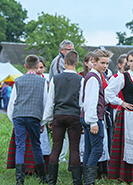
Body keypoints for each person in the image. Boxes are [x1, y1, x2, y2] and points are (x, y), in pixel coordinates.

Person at [105, 50, 133, 184]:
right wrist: (121, 102)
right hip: (128, 116)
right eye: (130, 61)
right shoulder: (123, 77)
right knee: (127, 146)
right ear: (127, 63)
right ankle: (125, 176)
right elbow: (108, 92)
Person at [43, 50, 84, 185]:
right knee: (74, 149)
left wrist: (48, 119)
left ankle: (51, 181)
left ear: (64, 62)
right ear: (77, 63)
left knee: (56, 148)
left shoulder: (55, 79)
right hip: (74, 116)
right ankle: (77, 181)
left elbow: (51, 101)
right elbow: (82, 103)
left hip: (59, 115)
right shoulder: (81, 80)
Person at [7, 55, 48, 184]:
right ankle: (42, 177)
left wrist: (12, 118)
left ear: (25, 66)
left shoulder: (18, 81)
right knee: (36, 145)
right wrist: (43, 122)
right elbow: (44, 103)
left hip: (18, 116)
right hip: (34, 116)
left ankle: (20, 179)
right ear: (37, 67)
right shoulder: (42, 81)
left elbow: (12, 102)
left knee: (20, 146)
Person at [80, 49, 113, 185]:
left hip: (87, 117)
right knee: (97, 149)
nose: (105, 66)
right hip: (92, 118)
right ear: (94, 62)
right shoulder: (93, 78)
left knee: (88, 149)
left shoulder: (94, 76)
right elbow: (90, 102)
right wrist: (93, 122)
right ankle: (89, 181)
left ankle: (87, 180)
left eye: (107, 63)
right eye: (102, 63)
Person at [49, 40, 74, 164]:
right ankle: (60, 157)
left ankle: (60, 156)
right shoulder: (59, 62)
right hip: (61, 101)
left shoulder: (64, 61)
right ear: (62, 50)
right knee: (61, 134)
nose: (71, 51)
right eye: (68, 49)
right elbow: (61, 82)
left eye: (72, 49)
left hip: (62, 101)